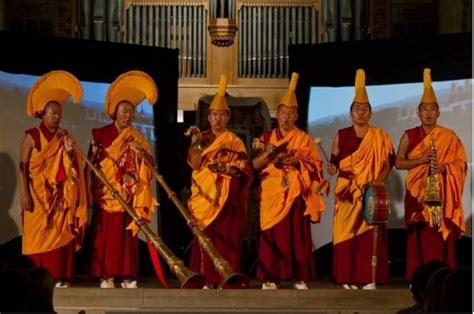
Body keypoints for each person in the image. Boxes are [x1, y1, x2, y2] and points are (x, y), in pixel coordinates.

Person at [252, 72, 326, 290]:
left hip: (295, 192)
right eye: (283, 112)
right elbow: (255, 165)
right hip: (272, 192)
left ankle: (299, 277)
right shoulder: (265, 138)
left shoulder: (304, 139)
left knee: (296, 235)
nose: (286, 117)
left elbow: (316, 166)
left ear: (296, 116)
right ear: (277, 115)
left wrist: (297, 161)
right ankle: (269, 277)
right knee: (271, 235)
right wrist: (270, 155)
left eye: (291, 113)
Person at [86, 70, 158, 288]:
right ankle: (106, 276)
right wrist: (88, 191)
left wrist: (141, 152)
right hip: (106, 193)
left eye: (132, 112)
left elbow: (150, 166)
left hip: (129, 194)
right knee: (105, 236)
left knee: (127, 238)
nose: (128, 115)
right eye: (124, 111)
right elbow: (89, 165)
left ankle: (127, 276)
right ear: (114, 112)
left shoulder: (137, 137)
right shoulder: (100, 135)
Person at [395, 68, 467, 280]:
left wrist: (444, 168)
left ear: (438, 112)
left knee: (439, 236)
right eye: (424, 109)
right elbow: (398, 163)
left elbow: (461, 163)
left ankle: (443, 278)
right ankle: (417, 279)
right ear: (418, 113)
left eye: (432, 109)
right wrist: (420, 160)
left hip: (441, 196)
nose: (428, 113)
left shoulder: (449, 136)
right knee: (419, 237)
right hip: (418, 196)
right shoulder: (409, 135)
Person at [19, 70, 87, 288]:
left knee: (60, 232)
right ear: (43, 113)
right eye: (52, 112)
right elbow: (23, 167)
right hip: (37, 195)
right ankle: (34, 277)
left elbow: (73, 166)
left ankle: (59, 277)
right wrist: (24, 195)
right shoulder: (31, 136)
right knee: (36, 235)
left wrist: (69, 152)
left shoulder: (64, 136)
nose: (57, 116)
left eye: (59, 113)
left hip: (60, 196)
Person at [327, 69, 393, 290]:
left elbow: (387, 163)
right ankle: (345, 278)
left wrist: (379, 181)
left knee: (367, 235)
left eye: (365, 109)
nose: (361, 113)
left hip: (369, 192)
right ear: (350, 112)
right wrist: (331, 167)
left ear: (370, 112)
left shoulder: (380, 136)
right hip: (347, 192)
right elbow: (334, 163)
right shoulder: (341, 134)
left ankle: (368, 278)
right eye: (357, 109)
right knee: (344, 234)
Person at [187, 75, 253, 289]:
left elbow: (244, 169)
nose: (217, 119)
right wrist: (196, 145)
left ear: (227, 117)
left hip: (226, 197)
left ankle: (226, 278)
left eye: (222, 115)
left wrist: (225, 168)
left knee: (227, 238)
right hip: (204, 197)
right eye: (214, 115)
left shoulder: (234, 141)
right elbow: (195, 165)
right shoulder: (202, 137)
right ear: (209, 116)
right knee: (205, 239)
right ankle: (205, 278)